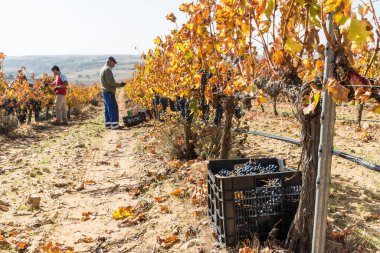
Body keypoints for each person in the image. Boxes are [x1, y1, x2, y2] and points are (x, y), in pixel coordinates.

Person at [100, 56, 126, 129]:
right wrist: (120, 85)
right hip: (108, 92)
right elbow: (110, 82)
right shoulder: (107, 69)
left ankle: (108, 124)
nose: (114, 65)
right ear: (109, 62)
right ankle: (114, 125)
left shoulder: (103, 69)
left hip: (105, 92)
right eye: (113, 63)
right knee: (113, 108)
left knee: (107, 108)